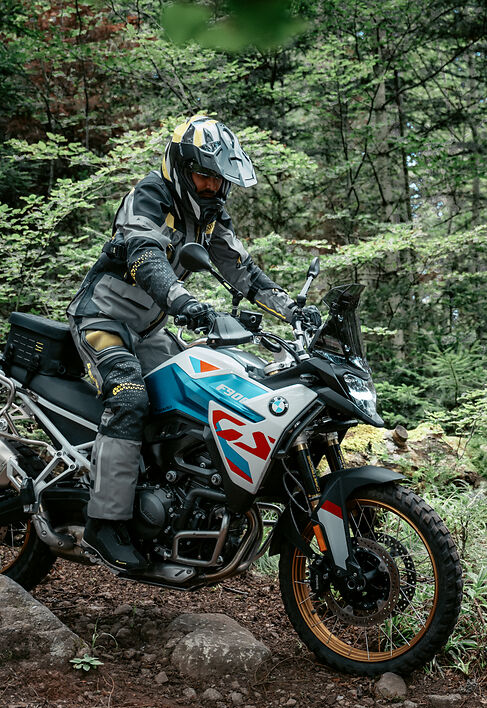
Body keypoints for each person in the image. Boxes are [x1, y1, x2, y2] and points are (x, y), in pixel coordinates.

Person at [66, 115, 320, 571]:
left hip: (149, 331)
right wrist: (185, 301)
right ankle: (104, 523)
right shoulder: (150, 195)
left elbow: (242, 271)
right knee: (129, 397)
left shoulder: (209, 213)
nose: (212, 187)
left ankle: (171, 505)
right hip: (102, 319)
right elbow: (145, 257)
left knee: (198, 397)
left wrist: (293, 311)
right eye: (204, 176)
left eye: (219, 179)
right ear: (181, 167)